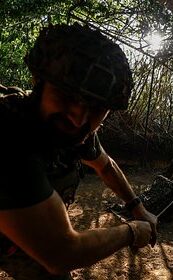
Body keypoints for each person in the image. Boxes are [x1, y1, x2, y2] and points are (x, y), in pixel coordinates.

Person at [0, 23, 157, 279]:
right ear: (38, 84)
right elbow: (61, 253)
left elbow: (106, 166)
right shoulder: (9, 136)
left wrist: (137, 206)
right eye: (67, 96)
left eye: (96, 108)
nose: (78, 118)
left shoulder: (73, 132)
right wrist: (132, 231)